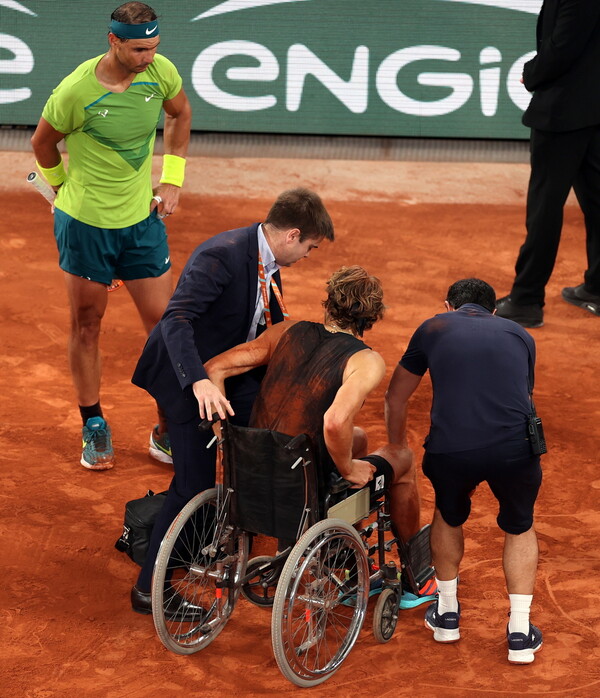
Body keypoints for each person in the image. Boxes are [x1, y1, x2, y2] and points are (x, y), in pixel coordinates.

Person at [129, 187, 334, 615]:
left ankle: (227, 527)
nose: (309, 256)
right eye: (310, 247)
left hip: (223, 367)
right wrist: (199, 382)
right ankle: (150, 589)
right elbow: (176, 319)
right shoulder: (221, 255)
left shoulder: (267, 262)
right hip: (185, 375)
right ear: (292, 234)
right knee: (192, 485)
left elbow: (269, 324)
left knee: (275, 417)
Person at [204, 265, 436, 609]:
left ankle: (342, 557)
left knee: (356, 438)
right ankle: (417, 581)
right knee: (400, 458)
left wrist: (223, 437)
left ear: (328, 302)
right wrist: (348, 469)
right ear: (372, 316)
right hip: (301, 486)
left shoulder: (286, 330)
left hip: (249, 469)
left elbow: (215, 368)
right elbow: (333, 421)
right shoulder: (366, 360)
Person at [30, 2, 192, 470]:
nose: (149, 57)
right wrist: (62, 189)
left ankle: (166, 425)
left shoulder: (160, 73)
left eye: (155, 47)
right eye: (140, 49)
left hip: (141, 223)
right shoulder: (76, 91)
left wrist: (173, 176)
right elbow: (42, 143)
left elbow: (180, 115)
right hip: (84, 226)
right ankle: (94, 423)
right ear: (113, 41)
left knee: (165, 328)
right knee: (86, 323)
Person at [386, 279, 544, 664]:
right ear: (494, 311)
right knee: (520, 526)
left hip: (451, 450)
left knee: (448, 512)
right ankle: (520, 633)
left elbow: (396, 396)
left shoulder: (433, 327)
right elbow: (523, 397)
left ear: (447, 305)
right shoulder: (521, 334)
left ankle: (447, 615)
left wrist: (397, 447)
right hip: (514, 449)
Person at [496, 0, 600, 328]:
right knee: (597, 202)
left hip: (563, 111)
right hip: (593, 108)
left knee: (544, 207)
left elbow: (562, 46)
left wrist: (531, 73)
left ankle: (526, 299)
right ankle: (597, 288)